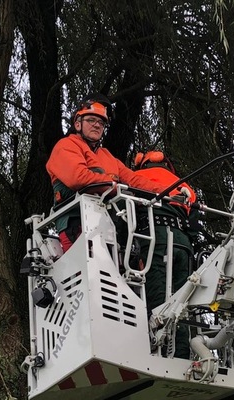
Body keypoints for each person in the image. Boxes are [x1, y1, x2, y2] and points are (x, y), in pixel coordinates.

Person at [46, 93, 168, 252]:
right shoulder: (66, 146)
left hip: (109, 224)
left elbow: (135, 181)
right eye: (91, 120)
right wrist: (116, 187)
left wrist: (170, 193)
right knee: (88, 270)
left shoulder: (107, 157)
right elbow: (79, 178)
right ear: (77, 124)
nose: (97, 125)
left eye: (101, 122)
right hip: (77, 222)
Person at [132, 150, 199, 359]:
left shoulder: (137, 179)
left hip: (156, 237)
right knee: (181, 303)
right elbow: (195, 226)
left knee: (158, 298)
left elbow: (127, 215)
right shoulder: (183, 185)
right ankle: (181, 355)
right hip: (183, 244)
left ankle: (158, 353)